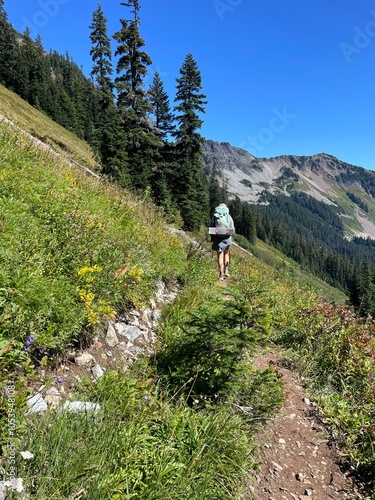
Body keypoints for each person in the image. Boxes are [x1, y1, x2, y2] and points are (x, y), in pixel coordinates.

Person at [210, 203, 235, 280]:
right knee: (226, 254)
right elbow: (233, 228)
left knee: (220, 255)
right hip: (227, 236)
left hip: (218, 237)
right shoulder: (228, 216)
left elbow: (212, 226)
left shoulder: (215, 216)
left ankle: (221, 273)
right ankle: (226, 271)